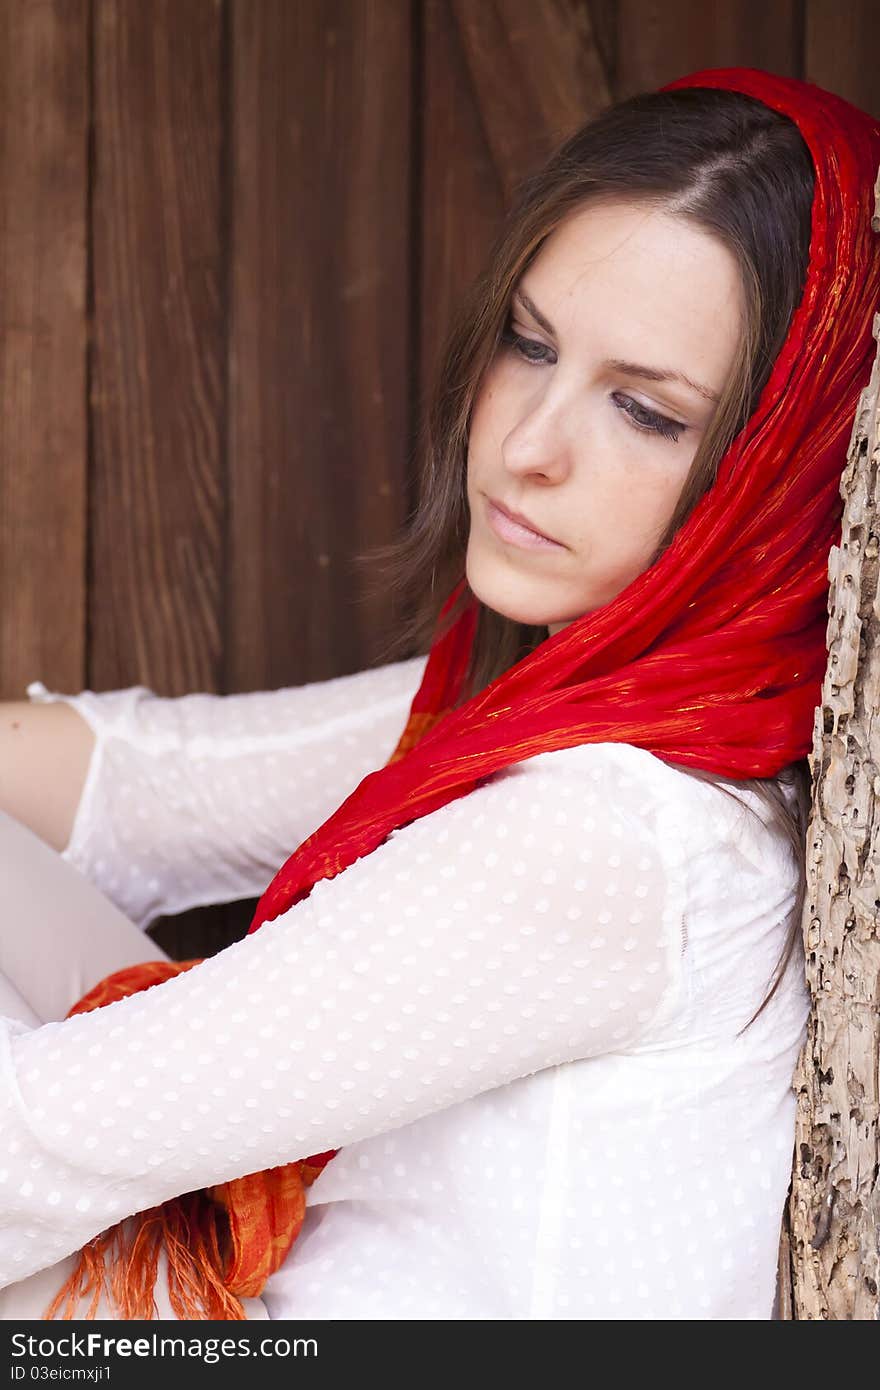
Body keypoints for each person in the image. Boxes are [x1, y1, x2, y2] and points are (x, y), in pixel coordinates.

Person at [0, 64, 877, 1322]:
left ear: (778, 477)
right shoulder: (637, 691)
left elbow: (26, 1153)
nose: (527, 444)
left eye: (643, 410)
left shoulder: (613, 832)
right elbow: (151, 787)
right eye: (529, 344)